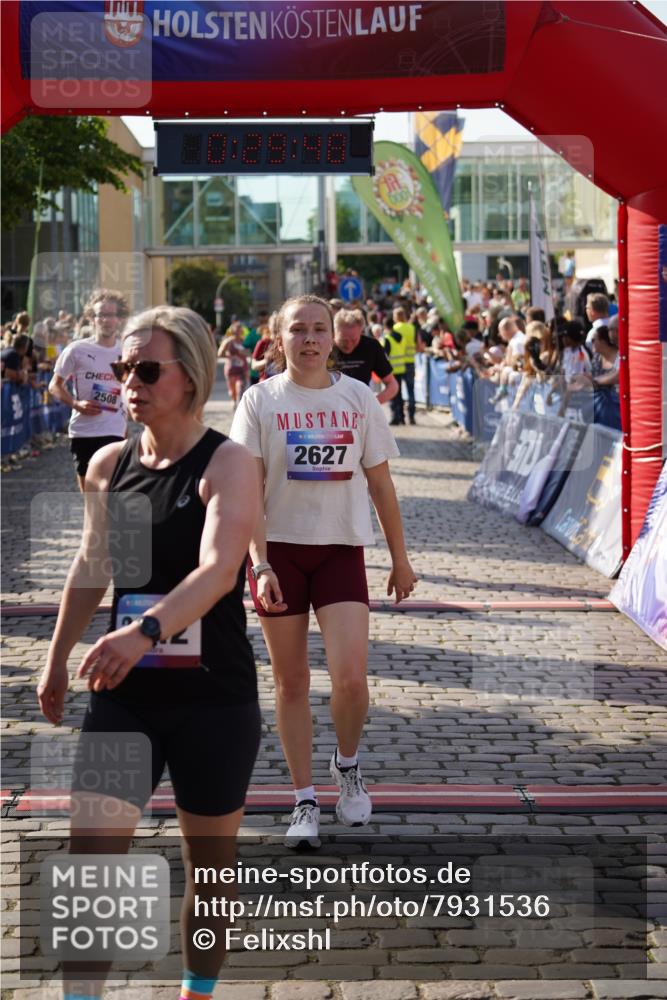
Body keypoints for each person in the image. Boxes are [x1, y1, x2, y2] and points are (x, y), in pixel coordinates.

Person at [37, 305, 259, 1000]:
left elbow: (219, 571)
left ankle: (198, 991)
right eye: (121, 369)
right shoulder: (109, 463)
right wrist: (52, 659)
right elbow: (95, 563)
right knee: (92, 865)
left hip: (212, 701)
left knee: (210, 871)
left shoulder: (227, 463)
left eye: (145, 369)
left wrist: (145, 632)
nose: (127, 382)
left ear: (189, 378)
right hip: (124, 697)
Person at [230, 294, 417, 849]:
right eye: (298, 330)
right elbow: (247, 494)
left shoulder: (358, 397)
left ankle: (348, 764)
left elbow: (381, 485)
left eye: (319, 329)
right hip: (279, 556)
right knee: (291, 682)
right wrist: (259, 562)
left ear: (334, 337)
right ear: (277, 337)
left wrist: (400, 558)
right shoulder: (259, 401)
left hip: (340, 550)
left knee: (352, 680)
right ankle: (304, 799)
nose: (309, 339)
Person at [49, 289, 129, 491]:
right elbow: (54, 385)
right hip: (84, 432)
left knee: (112, 493)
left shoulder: (126, 351)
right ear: (91, 319)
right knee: (91, 497)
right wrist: (76, 404)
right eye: (100, 315)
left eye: (111, 315)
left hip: (115, 430)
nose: (106, 320)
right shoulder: (77, 350)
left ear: (119, 318)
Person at [331, 308, 399, 405]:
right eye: (343, 340)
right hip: (329, 410)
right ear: (333, 333)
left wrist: (372, 404)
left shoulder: (371, 346)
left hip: (360, 410)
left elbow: (392, 385)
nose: (349, 345)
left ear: (361, 332)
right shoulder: (324, 346)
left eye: (354, 340)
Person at [392, 306, 418, 424]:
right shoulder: (412, 328)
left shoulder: (395, 328)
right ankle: (412, 417)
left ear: (396, 317)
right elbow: (418, 343)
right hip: (410, 362)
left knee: (399, 392)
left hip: (398, 364)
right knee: (411, 390)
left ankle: (401, 416)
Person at [217, 320, 249, 407]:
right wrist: (230, 357)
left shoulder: (244, 341)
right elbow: (219, 354)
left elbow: (250, 353)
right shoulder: (228, 342)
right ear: (233, 330)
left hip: (242, 369)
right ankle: (234, 400)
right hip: (231, 369)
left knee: (241, 388)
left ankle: (239, 405)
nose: (238, 331)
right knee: (232, 391)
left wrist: (244, 352)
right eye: (237, 330)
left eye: (240, 329)